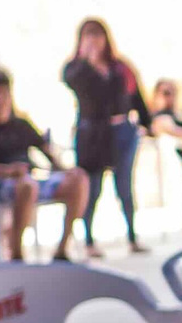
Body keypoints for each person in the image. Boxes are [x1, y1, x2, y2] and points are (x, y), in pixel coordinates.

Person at [0, 74, 89, 262]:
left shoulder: (21, 124)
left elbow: (48, 153)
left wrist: (65, 170)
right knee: (27, 185)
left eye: (4, 94)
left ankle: (62, 249)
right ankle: (16, 254)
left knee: (79, 179)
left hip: (30, 179)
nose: (0, 100)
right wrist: (8, 172)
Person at [63, 18, 148, 253]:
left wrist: (146, 123)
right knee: (92, 188)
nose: (94, 40)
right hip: (92, 134)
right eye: (88, 36)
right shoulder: (75, 69)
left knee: (125, 186)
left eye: (98, 35)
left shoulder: (120, 67)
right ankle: (89, 240)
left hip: (122, 131)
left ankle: (132, 236)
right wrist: (88, 62)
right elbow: (72, 82)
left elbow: (135, 95)